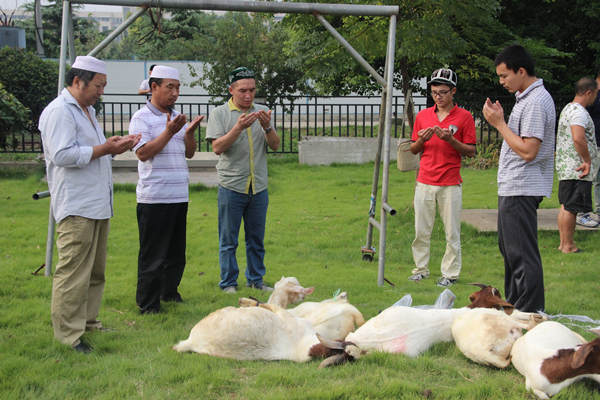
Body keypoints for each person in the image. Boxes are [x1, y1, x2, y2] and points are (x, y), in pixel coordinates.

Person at [39, 55, 141, 353]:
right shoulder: (60, 112)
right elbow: (62, 155)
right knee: (73, 272)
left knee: (95, 272)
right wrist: (104, 148)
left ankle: (89, 322)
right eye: (98, 85)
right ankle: (68, 336)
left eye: (104, 86)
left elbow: (90, 151)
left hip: (96, 204)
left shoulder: (86, 111)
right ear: (77, 81)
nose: (101, 91)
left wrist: (113, 146)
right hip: (76, 206)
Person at [483, 44, 556, 313]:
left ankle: (529, 311)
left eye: (505, 76)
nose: (501, 82)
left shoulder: (536, 102)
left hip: (522, 188)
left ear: (521, 71)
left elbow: (528, 150)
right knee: (511, 251)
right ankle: (513, 307)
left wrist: (500, 124)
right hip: (513, 186)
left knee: (521, 254)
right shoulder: (527, 98)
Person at [130, 65, 203, 314]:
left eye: (178, 87)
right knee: (153, 255)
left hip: (178, 194)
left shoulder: (178, 116)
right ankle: (148, 303)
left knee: (175, 253)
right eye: (169, 87)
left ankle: (169, 292)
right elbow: (143, 153)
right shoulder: (141, 117)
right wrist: (168, 132)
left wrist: (189, 133)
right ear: (154, 87)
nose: (175, 93)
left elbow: (189, 153)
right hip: (154, 197)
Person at [206, 67, 280, 294]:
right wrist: (238, 127)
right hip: (232, 186)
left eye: (252, 90)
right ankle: (228, 282)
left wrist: (267, 126)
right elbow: (217, 147)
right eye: (243, 90)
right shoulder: (220, 114)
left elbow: (275, 145)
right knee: (228, 240)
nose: (248, 95)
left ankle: (256, 280)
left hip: (258, 186)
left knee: (256, 239)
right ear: (231, 90)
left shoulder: (261, 112)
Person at [408, 68, 476, 287]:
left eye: (443, 92)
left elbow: (471, 151)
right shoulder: (423, 116)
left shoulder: (464, 117)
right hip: (425, 180)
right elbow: (413, 149)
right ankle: (420, 269)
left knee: (452, 232)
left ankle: (450, 273)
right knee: (421, 230)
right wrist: (422, 140)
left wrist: (451, 140)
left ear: (453, 91)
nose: (438, 96)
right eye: (435, 92)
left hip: (450, 183)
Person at [556, 77, 599, 252]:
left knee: (566, 206)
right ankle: (568, 245)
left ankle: (562, 243)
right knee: (571, 208)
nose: (595, 98)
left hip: (568, 167)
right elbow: (578, 137)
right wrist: (587, 160)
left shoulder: (568, 108)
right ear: (588, 92)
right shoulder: (579, 112)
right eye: (596, 94)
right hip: (577, 169)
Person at [577, 71, 600, 227]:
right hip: (593, 143)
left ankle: (597, 211)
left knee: (597, 179)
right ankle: (583, 212)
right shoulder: (592, 95)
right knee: (589, 178)